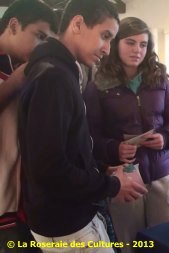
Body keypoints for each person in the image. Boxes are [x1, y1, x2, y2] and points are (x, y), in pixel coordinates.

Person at [17, 1, 148, 253]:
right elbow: (49, 168)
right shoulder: (54, 77)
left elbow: (66, 147)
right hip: (65, 222)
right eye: (105, 36)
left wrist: (101, 169)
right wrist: (111, 186)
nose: (107, 49)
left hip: (66, 215)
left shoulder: (60, 71)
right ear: (77, 24)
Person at [83, 17, 169, 250]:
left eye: (143, 44)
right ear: (116, 43)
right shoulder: (98, 84)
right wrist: (113, 148)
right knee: (131, 243)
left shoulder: (159, 79)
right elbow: (89, 135)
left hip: (161, 174)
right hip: (124, 178)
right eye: (130, 43)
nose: (137, 50)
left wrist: (166, 137)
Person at [0, 1, 57, 252]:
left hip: (21, 198)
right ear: (13, 25)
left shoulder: (15, 63)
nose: (41, 47)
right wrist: (15, 82)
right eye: (39, 36)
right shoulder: (18, 71)